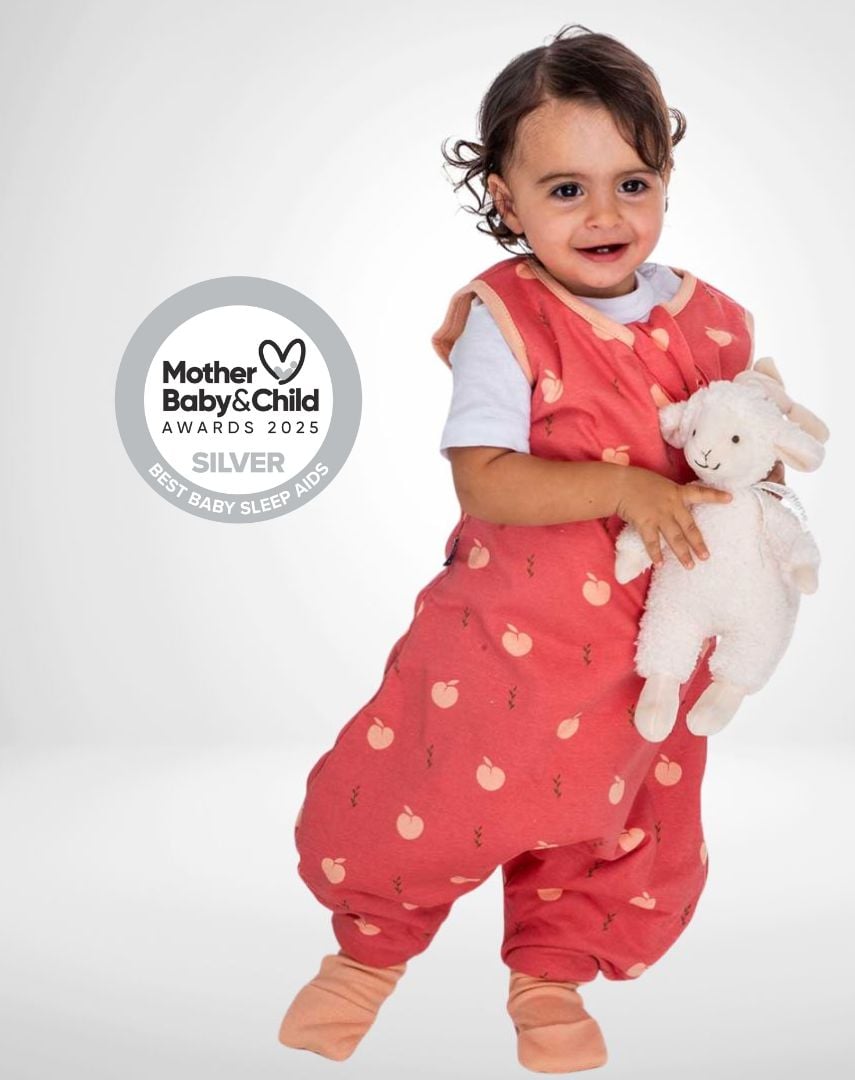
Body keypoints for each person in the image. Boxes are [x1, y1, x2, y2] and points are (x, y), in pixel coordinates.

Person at [279, 23, 784, 1073]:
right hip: (507, 638)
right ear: (506, 201)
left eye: (633, 184)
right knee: (430, 792)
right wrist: (625, 486)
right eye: (565, 190)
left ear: (667, 180)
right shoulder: (507, 321)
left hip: (649, 651)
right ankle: (369, 950)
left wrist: (769, 505)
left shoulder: (717, 326)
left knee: (615, 815)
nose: (605, 215)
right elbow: (486, 480)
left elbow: (746, 460)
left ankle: (552, 973)